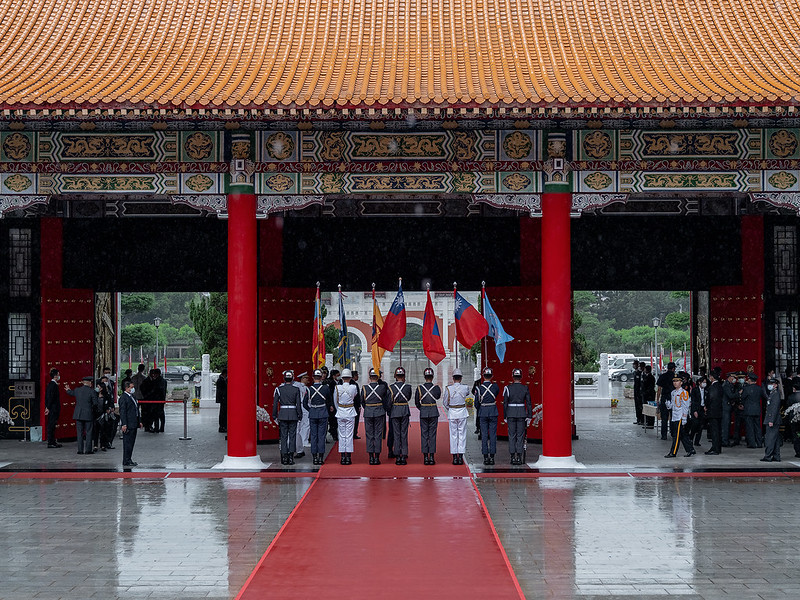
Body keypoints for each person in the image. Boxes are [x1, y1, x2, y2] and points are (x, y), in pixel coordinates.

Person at [272, 370, 303, 465]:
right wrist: (300, 414)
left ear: (284, 378)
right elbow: (298, 404)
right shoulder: (296, 389)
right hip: (293, 414)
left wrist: (274, 415)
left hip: (283, 414)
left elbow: (275, 404)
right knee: (292, 436)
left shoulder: (278, 389)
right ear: (292, 378)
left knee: (284, 437)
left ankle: (284, 457)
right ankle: (290, 458)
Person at [502, 368, 532, 465]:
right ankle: (519, 456)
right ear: (521, 377)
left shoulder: (508, 388)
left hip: (510, 413)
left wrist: (505, 415)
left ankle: (512, 457)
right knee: (520, 436)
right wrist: (529, 416)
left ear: (513, 376)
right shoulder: (525, 388)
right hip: (521, 413)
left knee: (512, 436)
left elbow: (505, 403)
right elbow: (528, 403)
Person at [65, 376, 101, 454]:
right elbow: (95, 404)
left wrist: (67, 390)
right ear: (89, 383)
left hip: (78, 414)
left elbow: (71, 393)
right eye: (91, 382)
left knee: (79, 432)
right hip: (88, 414)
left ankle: (80, 450)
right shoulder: (92, 391)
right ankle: (88, 450)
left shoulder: (78, 390)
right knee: (88, 432)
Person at [362, 368, 389, 465]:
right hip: (379, 412)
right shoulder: (382, 387)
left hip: (368, 412)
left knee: (369, 435)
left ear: (369, 377)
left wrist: (368, 408)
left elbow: (363, 402)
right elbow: (386, 399)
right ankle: (377, 457)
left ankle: (370, 458)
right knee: (378, 435)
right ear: (378, 377)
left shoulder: (365, 388)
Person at [305, 369, 333, 465]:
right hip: (323, 412)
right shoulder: (325, 388)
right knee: (321, 436)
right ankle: (321, 458)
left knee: (313, 436)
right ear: (321, 378)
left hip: (313, 413)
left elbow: (305, 403)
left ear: (313, 377)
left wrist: (311, 409)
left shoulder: (309, 389)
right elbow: (329, 400)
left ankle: (314, 458)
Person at [443, 368, 470, 465]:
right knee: (462, 434)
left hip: (453, 412)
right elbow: (467, 393)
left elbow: (445, 402)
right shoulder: (465, 387)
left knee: (453, 435)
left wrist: (450, 409)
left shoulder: (448, 388)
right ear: (461, 378)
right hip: (462, 412)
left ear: (453, 378)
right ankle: (461, 455)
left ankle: (455, 457)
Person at [414, 367, 441, 465]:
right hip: (433, 411)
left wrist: (422, 409)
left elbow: (417, 402)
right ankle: (432, 457)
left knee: (424, 434)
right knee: (432, 435)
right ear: (432, 376)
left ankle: (425, 457)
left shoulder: (420, 388)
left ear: (424, 377)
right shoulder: (436, 388)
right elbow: (437, 396)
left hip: (424, 412)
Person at [475, 367, 500, 465]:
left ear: (483, 376)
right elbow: (496, 394)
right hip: (493, 411)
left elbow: (476, 403)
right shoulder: (495, 387)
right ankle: (492, 457)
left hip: (483, 412)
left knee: (484, 435)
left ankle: (485, 457)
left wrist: (481, 409)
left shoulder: (479, 388)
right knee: (493, 435)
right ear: (492, 376)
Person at [665, 376, 694, 458]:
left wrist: (684, 418)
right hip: (674, 416)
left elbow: (686, 406)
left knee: (676, 436)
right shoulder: (673, 392)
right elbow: (673, 405)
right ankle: (690, 449)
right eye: (674, 381)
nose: (675, 383)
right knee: (681, 434)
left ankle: (673, 452)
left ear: (681, 383)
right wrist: (668, 405)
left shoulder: (684, 393)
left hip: (680, 416)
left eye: (677, 381)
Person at [388, 366, 412, 465]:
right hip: (404, 410)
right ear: (404, 376)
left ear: (395, 376)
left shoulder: (391, 387)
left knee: (396, 434)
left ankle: (397, 455)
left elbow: (389, 401)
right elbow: (409, 397)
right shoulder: (408, 387)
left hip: (395, 411)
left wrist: (390, 412)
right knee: (404, 433)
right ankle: (404, 453)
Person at [335, 369, 358, 465]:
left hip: (340, 411)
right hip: (350, 412)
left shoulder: (337, 387)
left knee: (341, 434)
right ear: (350, 377)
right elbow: (354, 396)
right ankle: (348, 456)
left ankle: (342, 456)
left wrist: (339, 409)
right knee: (348, 435)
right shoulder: (353, 387)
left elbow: (335, 401)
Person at [119, 380, 142, 467]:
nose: (133, 389)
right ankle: (126, 460)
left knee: (131, 442)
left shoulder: (132, 397)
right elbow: (123, 412)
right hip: (128, 424)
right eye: (131, 387)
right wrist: (124, 424)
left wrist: (139, 421)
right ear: (126, 388)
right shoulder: (123, 398)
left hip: (134, 423)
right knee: (127, 443)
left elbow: (136, 410)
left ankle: (129, 459)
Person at [761, 376, 782, 462]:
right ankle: (776, 456)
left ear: (776, 385)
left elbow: (774, 408)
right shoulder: (772, 393)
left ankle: (768, 456)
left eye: (772, 384)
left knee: (770, 438)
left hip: (772, 419)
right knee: (775, 439)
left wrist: (771, 420)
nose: (770, 385)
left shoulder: (775, 394)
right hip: (773, 419)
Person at [740, 373, 765, 448]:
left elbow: (743, 398)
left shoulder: (746, 389)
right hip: (757, 409)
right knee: (757, 427)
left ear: (750, 380)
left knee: (750, 427)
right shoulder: (759, 388)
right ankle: (759, 442)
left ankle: (752, 443)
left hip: (748, 410)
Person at [704, 368, 724, 455]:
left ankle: (715, 449)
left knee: (714, 431)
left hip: (713, 411)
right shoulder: (720, 386)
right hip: (719, 411)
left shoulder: (712, 387)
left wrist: (706, 406)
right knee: (717, 431)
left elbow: (710, 398)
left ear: (711, 377)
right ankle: (716, 447)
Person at [656, 362, 677, 440]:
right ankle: (673, 433)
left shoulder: (662, 376)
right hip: (674, 398)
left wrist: (657, 399)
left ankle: (664, 435)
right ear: (673, 369)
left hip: (664, 398)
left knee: (664, 418)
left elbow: (659, 389)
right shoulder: (676, 377)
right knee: (673, 417)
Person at [294, 372, 311, 458]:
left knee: (303, 425)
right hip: (302, 406)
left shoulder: (300, 386)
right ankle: (304, 440)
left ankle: (303, 440)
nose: (307, 380)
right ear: (302, 379)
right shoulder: (300, 386)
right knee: (305, 424)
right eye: (306, 378)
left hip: (301, 406)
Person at [44, 368, 62, 448]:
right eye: (58, 374)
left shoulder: (52, 384)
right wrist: (48, 407)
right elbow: (50, 397)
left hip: (52, 407)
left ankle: (53, 441)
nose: (59, 376)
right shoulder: (53, 385)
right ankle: (51, 442)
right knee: (51, 425)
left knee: (53, 425)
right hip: (53, 408)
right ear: (55, 376)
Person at [721, 371, 740, 447]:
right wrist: (738, 393)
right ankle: (724, 441)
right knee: (725, 424)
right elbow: (730, 395)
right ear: (729, 377)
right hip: (725, 407)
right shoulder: (726, 385)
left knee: (728, 424)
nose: (734, 379)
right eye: (733, 377)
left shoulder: (730, 385)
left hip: (729, 406)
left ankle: (726, 440)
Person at [689, 375, 708, 447]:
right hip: (696, 408)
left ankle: (697, 441)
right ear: (699, 383)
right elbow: (693, 401)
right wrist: (694, 411)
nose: (704, 384)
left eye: (705, 382)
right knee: (695, 424)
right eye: (703, 382)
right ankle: (691, 438)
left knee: (701, 425)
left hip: (703, 409)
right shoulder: (695, 390)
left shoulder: (706, 390)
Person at [323, 367, 340, 442]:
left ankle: (333, 433)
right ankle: (333, 434)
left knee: (333, 421)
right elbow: (330, 395)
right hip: (329, 404)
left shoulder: (336, 382)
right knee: (331, 421)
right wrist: (331, 405)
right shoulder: (330, 382)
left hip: (333, 403)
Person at [787, 378, 800, 458]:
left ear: (794, 389)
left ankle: (798, 451)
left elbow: (788, 406)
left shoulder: (791, 397)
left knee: (796, 435)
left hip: (794, 419)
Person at [215, 368, 228, 433]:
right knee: (223, 413)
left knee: (224, 413)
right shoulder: (220, 380)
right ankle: (222, 426)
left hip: (224, 398)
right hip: (223, 398)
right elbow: (221, 391)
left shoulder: (222, 379)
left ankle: (224, 426)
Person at [351, 370, 362, 440]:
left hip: (349, 405)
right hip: (354, 405)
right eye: (357, 375)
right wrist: (359, 405)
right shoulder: (354, 384)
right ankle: (354, 433)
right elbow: (357, 396)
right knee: (355, 420)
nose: (357, 377)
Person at [632, 360, 643, 425]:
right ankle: (638, 419)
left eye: (634, 364)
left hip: (639, 392)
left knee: (640, 406)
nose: (633, 366)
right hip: (636, 391)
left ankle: (641, 419)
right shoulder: (635, 373)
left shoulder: (639, 373)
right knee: (637, 405)